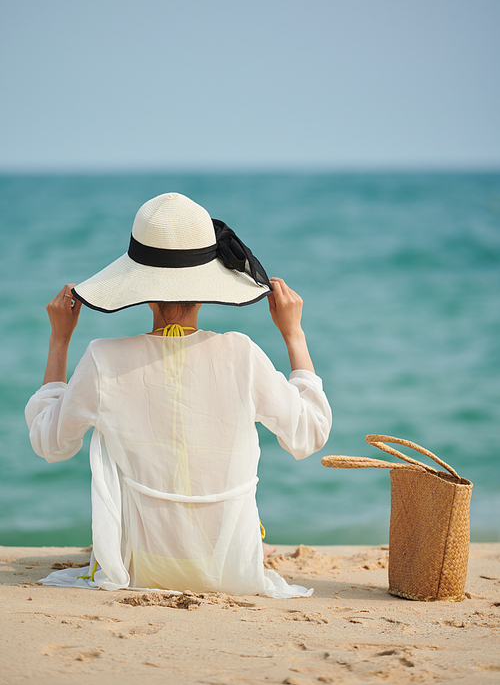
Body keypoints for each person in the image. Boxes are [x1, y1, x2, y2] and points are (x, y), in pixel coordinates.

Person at [25, 193, 331, 597]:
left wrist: (59, 340)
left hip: (139, 568)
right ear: (207, 285)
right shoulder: (243, 354)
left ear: (141, 286)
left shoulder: (103, 359)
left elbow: (51, 443)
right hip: (230, 568)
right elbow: (309, 434)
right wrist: (293, 333)